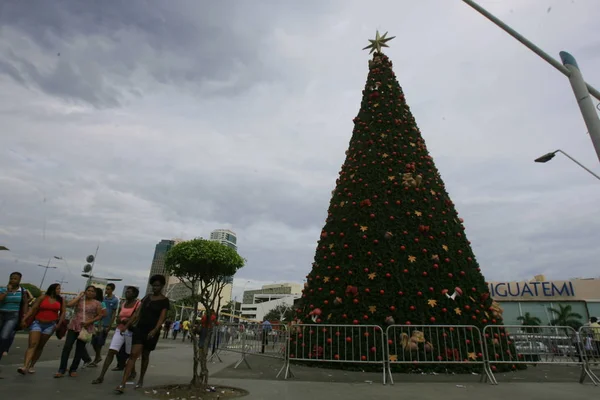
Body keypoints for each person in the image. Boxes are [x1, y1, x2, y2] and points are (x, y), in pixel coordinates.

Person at [115, 275, 169, 394]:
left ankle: (141, 379)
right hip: (140, 329)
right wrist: (127, 325)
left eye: (158, 285)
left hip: (152, 331)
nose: (155, 288)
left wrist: (154, 330)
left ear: (162, 286)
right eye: (154, 285)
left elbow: (162, 318)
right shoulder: (146, 298)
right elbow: (137, 314)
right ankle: (122, 383)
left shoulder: (164, 301)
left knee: (145, 355)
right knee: (133, 354)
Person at [91, 286, 140, 384]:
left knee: (130, 354)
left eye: (129, 292)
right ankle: (101, 376)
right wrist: (122, 320)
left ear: (134, 294)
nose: (127, 293)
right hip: (119, 330)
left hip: (131, 331)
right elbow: (119, 317)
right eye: (126, 292)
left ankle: (133, 371)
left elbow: (136, 316)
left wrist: (126, 323)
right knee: (111, 351)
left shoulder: (138, 304)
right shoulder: (123, 303)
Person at [55, 286, 104, 378]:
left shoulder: (97, 303)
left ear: (95, 293)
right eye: (88, 290)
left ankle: (73, 369)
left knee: (80, 349)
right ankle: (61, 369)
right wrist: (79, 296)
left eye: (92, 291)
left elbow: (100, 315)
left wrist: (89, 322)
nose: (90, 292)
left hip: (86, 328)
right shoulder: (80, 300)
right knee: (67, 346)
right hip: (74, 326)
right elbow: (69, 304)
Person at [18, 283, 66, 374]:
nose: (59, 290)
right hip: (37, 323)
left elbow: (63, 312)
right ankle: (25, 366)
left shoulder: (61, 300)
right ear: (52, 289)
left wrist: (58, 324)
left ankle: (32, 365)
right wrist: (24, 319)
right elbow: (33, 309)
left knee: (40, 346)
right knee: (32, 344)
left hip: (50, 325)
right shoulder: (43, 298)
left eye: (60, 289)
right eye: (57, 289)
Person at [0, 272, 30, 365]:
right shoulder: (3, 289)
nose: (12, 280)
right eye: (11, 278)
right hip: (1, 313)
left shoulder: (22, 291)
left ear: (19, 280)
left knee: (4, 337)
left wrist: (24, 316)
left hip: (13, 316)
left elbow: (25, 303)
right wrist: (7, 292)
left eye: (15, 279)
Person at [90, 283, 119, 366]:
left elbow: (113, 313)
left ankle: (97, 358)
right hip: (97, 323)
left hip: (105, 324)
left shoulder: (115, 300)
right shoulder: (103, 299)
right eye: (106, 289)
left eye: (108, 289)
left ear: (112, 290)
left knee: (99, 342)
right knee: (94, 342)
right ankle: (98, 356)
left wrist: (110, 325)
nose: (106, 290)